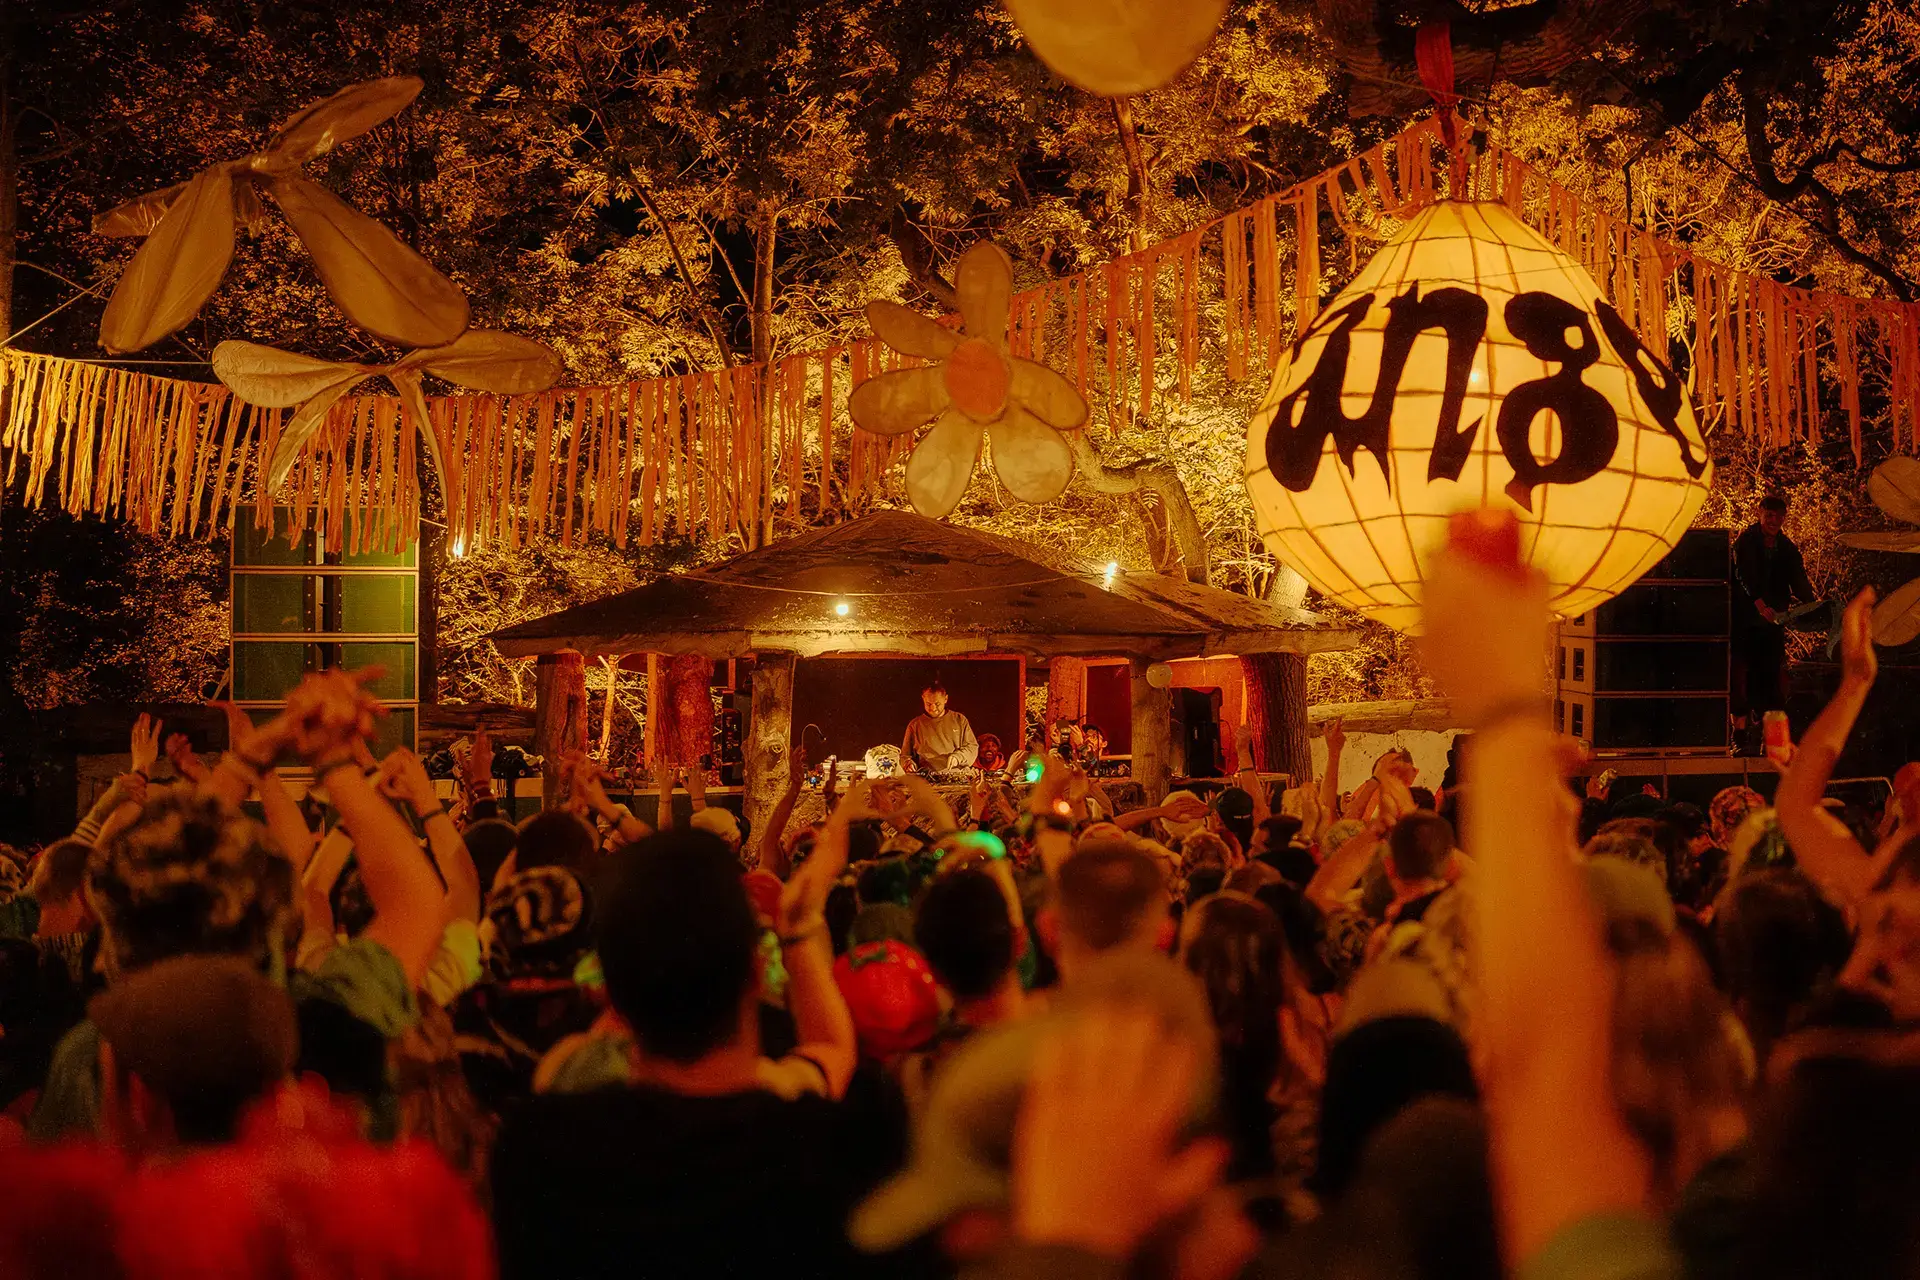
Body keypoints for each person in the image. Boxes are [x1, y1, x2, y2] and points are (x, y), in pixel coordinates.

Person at [1731, 494, 1816, 752]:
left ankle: (1768, 741)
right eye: (1770, 515)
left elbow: (1799, 580)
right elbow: (1743, 575)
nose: (1774, 521)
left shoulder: (1788, 548)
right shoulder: (1746, 541)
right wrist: (1758, 604)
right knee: (1740, 679)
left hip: (1773, 625)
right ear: (1760, 514)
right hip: (1745, 622)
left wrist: (1812, 604)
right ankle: (1740, 735)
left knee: (1773, 681)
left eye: (1779, 517)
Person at [901, 679, 978, 775]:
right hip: (927, 778)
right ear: (923, 698)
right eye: (928, 704)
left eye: (937, 704)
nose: (933, 708)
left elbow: (972, 747)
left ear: (945, 699)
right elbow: (905, 755)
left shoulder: (959, 720)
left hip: (957, 776)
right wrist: (908, 764)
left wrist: (958, 757)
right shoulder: (914, 725)